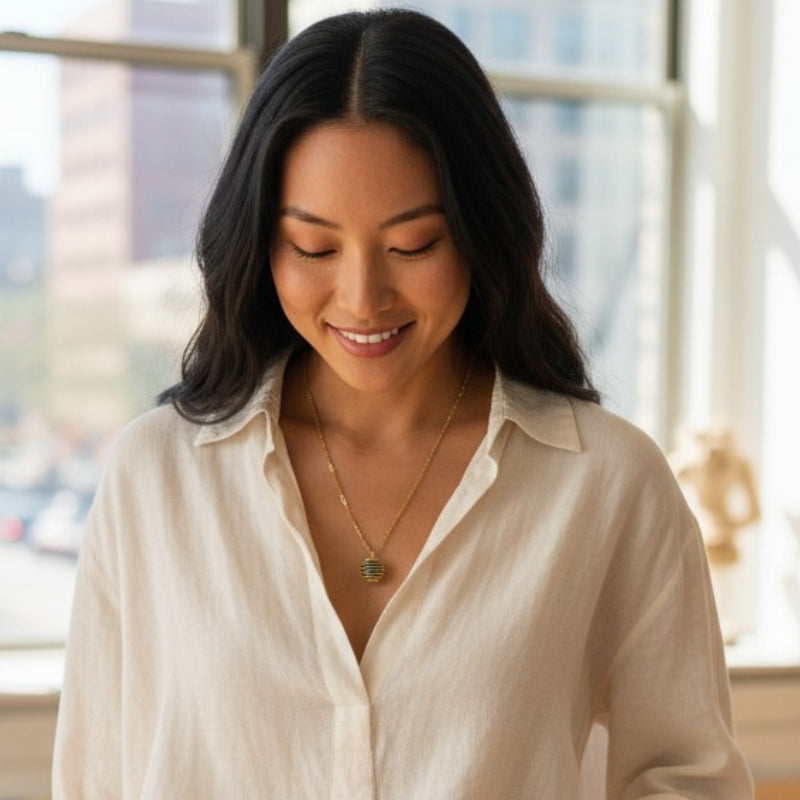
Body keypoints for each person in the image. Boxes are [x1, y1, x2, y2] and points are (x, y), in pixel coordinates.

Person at [52, 9, 753, 799]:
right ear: (260, 243)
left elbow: (691, 778)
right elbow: (95, 777)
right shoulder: (156, 478)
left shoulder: (607, 484)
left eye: (413, 245)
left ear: (480, 231)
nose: (362, 298)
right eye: (313, 248)